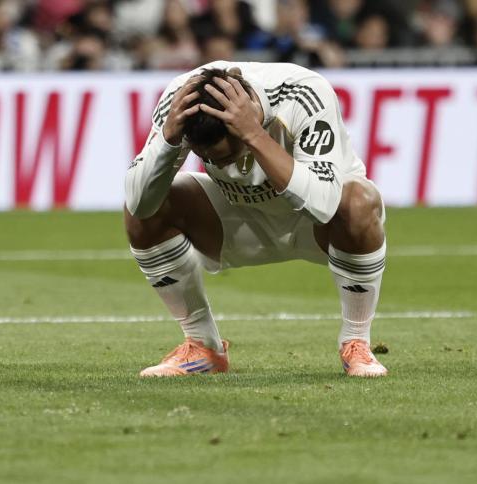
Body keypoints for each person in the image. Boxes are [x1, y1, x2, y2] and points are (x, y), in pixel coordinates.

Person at [124, 63, 389, 378]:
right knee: (148, 205)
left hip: (317, 226)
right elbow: (139, 204)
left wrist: (253, 134)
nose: (217, 164)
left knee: (358, 203)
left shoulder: (303, 92)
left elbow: (323, 206)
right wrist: (168, 139)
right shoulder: (182, 101)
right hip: (237, 220)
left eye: (227, 156)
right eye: (205, 158)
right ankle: (202, 346)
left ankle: (356, 342)